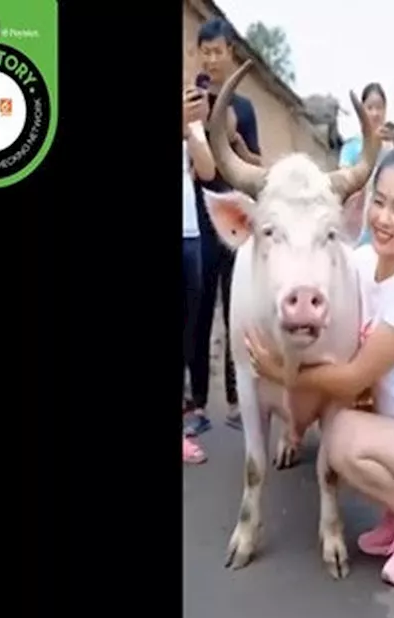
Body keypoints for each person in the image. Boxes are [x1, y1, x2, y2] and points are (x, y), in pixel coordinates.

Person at [244, 149, 394, 587]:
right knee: (344, 420)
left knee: (342, 438)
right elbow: (315, 256)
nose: (384, 218)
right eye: (380, 202)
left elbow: (353, 378)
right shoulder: (364, 264)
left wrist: (279, 373)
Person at [187, 17, 262, 436]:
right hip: (199, 219)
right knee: (198, 315)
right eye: (206, 51)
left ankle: (237, 400)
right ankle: (197, 404)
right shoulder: (189, 100)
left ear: (231, 53)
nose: (213, 59)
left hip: (235, 218)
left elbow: (257, 164)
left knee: (238, 310)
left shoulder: (246, 108)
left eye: (219, 51)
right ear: (199, 55)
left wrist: (233, 140)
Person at [183, 82, 217, 464]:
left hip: (190, 238)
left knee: (187, 332)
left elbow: (207, 170)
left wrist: (191, 132)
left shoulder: (189, 124)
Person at [339, 83, 394, 247]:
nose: (375, 113)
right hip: (355, 236)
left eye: (379, 108)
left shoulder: (392, 149)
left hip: (385, 233)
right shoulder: (351, 147)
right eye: (369, 107)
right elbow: (344, 184)